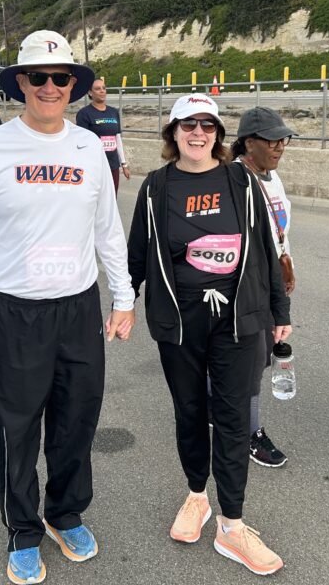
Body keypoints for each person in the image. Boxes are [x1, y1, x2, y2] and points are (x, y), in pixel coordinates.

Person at [0, 30, 134, 585]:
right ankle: (23, 529)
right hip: (13, 310)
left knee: (78, 418)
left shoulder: (88, 149)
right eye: (38, 78)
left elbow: (108, 231)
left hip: (77, 307)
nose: (49, 88)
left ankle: (65, 512)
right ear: (21, 84)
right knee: (19, 425)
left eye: (60, 78)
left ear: (73, 85)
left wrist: (123, 297)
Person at [127, 93, 291, 576]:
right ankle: (197, 496)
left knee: (234, 416)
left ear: (219, 135)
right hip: (179, 322)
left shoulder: (240, 180)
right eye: (187, 124)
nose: (197, 133)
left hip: (238, 320)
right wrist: (123, 303)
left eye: (207, 125)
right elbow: (138, 253)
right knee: (190, 412)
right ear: (172, 132)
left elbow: (267, 246)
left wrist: (281, 309)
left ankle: (233, 525)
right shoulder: (156, 188)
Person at [230, 106, 299, 469]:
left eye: (282, 139)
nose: (279, 147)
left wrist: (287, 264)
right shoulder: (235, 179)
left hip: (271, 280)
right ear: (248, 143)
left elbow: (279, 229)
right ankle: (248, 433)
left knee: (255, 358)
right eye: (271, 140)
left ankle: (219, 408)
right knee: (254, 362)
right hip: (246, 286)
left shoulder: (272, 177)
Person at [75, 78, 130, 193]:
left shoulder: (114, 112)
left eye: (104, 88)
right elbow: (82, 143)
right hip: (95, 166)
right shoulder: (84, 114)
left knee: (112, 198)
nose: (102, 91)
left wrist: (124, 164)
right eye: (97, 89)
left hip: (113, 165)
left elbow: (117, 139)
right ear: (90, 93)